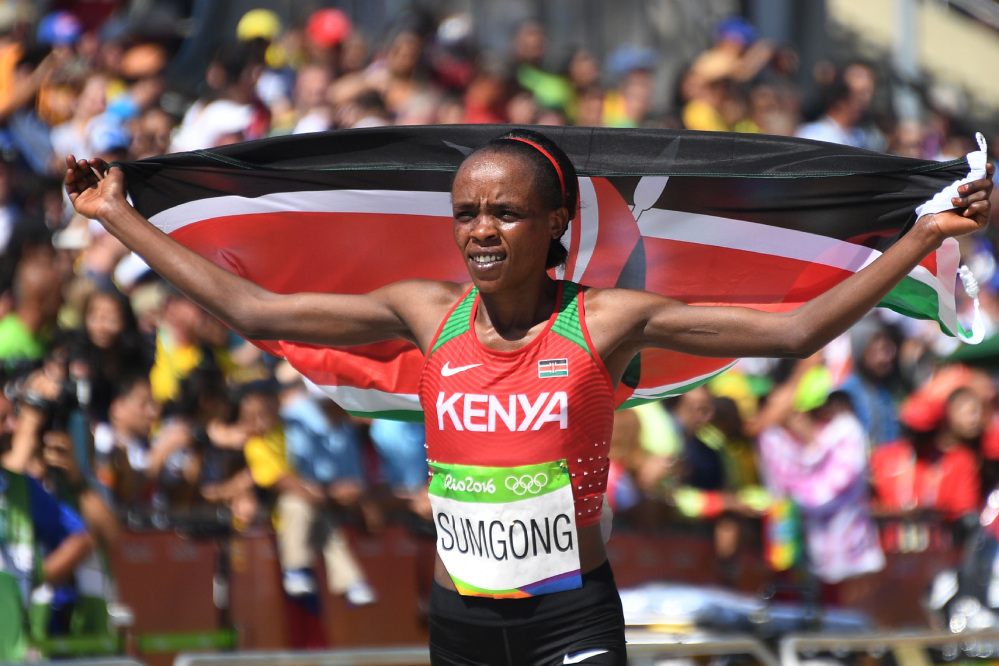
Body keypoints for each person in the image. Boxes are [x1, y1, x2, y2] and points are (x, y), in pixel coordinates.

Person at [64, 127, 992, 665]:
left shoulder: (609, 319)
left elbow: (792, 333)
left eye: (503, 211)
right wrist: (115, 216)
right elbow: (250, 304)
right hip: (460, 616)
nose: (479, 228)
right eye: (466, 209)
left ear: (554, 223)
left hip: (569, 613)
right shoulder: (424, 313)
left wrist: (917, 241)